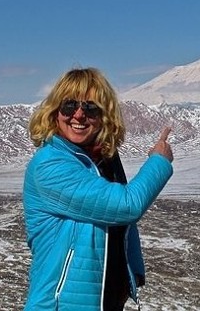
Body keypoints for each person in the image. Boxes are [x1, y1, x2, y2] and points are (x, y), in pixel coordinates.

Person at [22, 67, 173, 311]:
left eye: (90, 108)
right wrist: (159, 161)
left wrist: (132, 273)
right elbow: (126, 206)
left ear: (105, 115)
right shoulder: (50, 165)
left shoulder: (102, 160)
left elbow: (119, 226)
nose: (79, 115)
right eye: (69, 106)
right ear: (54, 112)